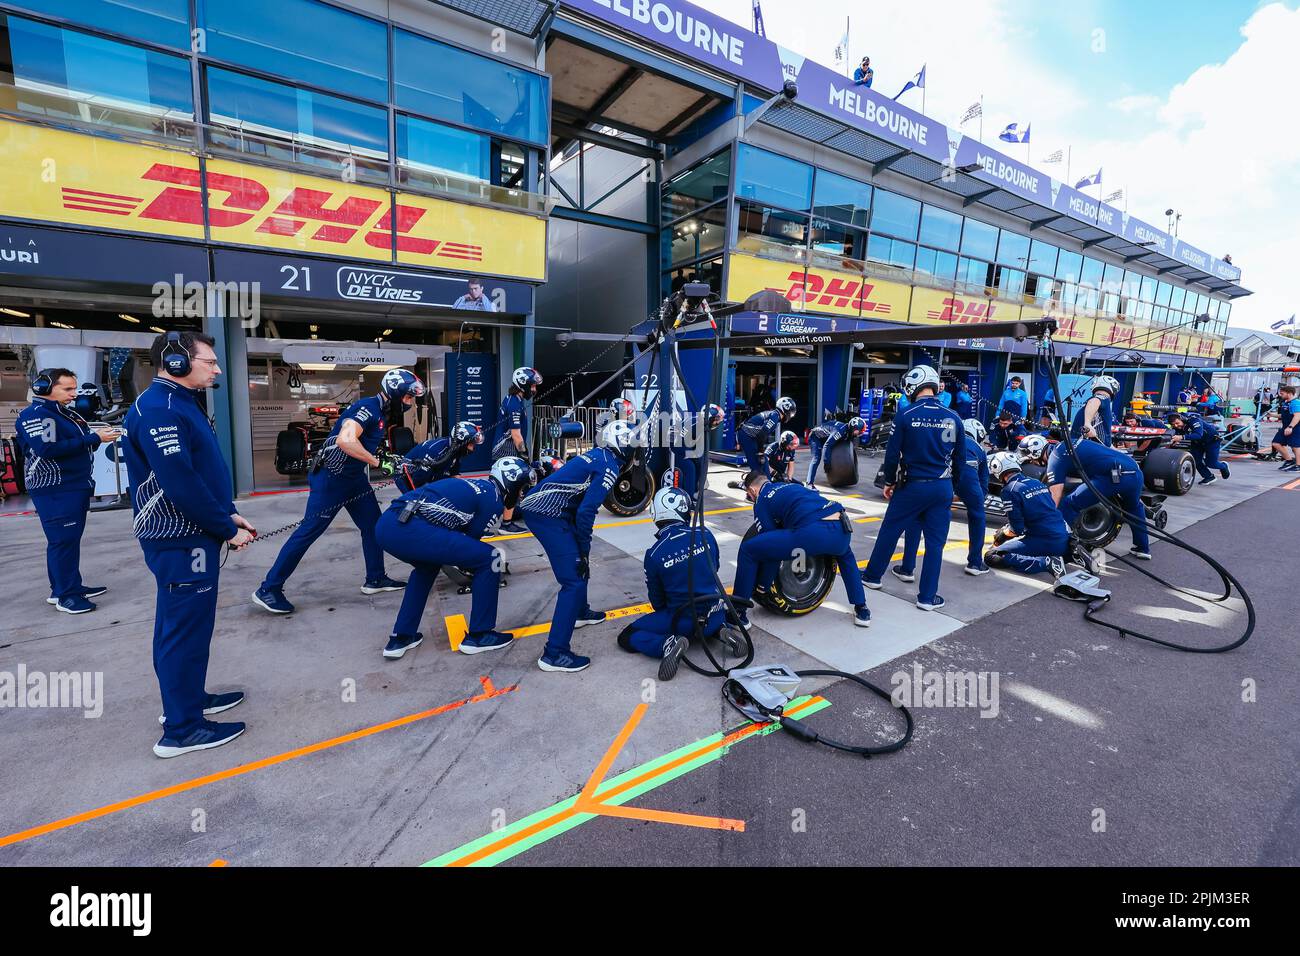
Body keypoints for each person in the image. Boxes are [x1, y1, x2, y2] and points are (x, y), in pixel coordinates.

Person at [122, 331, 255, 757]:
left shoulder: (178, 402)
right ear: (177, 362)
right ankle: (181, 730)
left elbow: (200, 471)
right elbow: (180, 482)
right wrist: (225, 527)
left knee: (181, 628)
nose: (217, 369)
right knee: (183, 632)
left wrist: (228, 512)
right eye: (209, 362)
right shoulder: (161, 409)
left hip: (192, 533)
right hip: (180, 539)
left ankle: (187, 701)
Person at [252, 370, 419, 614]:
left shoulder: (382, 412)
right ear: (394, 393)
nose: (410, 402)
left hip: (353, 479)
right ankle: (269, 588)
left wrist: (382, 456)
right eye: (408, 397)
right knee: (308, 532)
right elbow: (345, 441)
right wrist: (376, 463)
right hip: (331, 479)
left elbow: (363, 443)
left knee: (374, 526)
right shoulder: (367, 408)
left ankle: (375, 578)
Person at [375, 457, 533, 660]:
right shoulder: (492, 499)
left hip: (386, 525)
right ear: (511, 483)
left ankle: (401, 637)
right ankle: (480, 635)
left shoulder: (477, 484)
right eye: (521, 487)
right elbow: (470, 543)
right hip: (412, 528)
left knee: (426, 568)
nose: (521, 493)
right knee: (489, 558)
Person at [519, 420, 633, 673]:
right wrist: (583, 549)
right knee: (573, 579)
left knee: (580, 564)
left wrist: (584, 549)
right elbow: (587, 511)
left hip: (552, 510)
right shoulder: (610, 465)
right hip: (546, 514)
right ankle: (554, 654)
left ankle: (580, 611)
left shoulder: (598, 454)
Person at [860, 365, 965, 611]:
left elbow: (892, 454)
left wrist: (888, 481)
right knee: (935, 544)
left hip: (912, 485)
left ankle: (872, 577)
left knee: (890, 530)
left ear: (912, 386)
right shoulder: (954, 417)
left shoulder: (906, 414)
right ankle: (927, 597)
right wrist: (954, 488)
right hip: (942, 487)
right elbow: (961, 460)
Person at [14, 368, 119, 613]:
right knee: (62, 541)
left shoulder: (63, 414)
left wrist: (92, 438)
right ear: (44, 388)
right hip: (55, 488)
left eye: (74, 387)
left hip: (71, 485)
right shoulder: (39, 414)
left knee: (67, 541)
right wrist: (95, 439)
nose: (74, 393)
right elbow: (48, 449)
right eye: (67, 389)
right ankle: (67, 597)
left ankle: (65, 587)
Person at [620, 487, 736, 681]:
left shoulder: (655, 554)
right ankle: (719, 630)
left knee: (626, 636)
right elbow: (714, 568)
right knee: (709, 615)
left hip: (682, 620)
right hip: (716, 613)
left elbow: (657, 601)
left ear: (656, 513)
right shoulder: (706, 534)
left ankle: (667, 644)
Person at [732, 471, 871, 628]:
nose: (750, 498)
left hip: (811, 533)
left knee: (748, 550)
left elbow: (770, 549)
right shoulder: (790, 485)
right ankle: (862, 609)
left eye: (749, 496)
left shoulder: (762, 499)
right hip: (841, 527)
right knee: (846, 557)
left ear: (753, 490)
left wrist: (763, 584)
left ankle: (738, 613)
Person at [894, 418, 991, 580]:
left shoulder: (946, 439)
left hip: (938, 478)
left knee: (917, 517)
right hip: (967, 479)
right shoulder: (979, 449)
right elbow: (983, 487)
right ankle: (975, 562)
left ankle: (907, 568)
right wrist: (965, 497)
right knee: (977, 515)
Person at [1051, 436, 1151, 560]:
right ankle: (1143, 549)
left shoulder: (1054, 456)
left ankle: (1064, 549)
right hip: (1134, 471)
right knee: (1134, 507)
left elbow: (1056, 494)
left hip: (1113, 476)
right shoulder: (1071, 442)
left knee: (1068, 504)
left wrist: (1047, 520)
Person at [982, 452, 1071, 577]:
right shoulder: (1037, 482)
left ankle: (1046, 563)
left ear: (998, 469)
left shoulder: (1009, 490)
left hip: (1045, 540)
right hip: (1063, 537)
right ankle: (1072, 553)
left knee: (991, 556)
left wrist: (1002, 534)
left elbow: (1016, 529)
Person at [493, 366, 542, 532]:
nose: (534, 390)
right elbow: (516, 435)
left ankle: (507, 516)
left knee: (507, 489)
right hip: (507, 449)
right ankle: (506, 525)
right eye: (532, 386)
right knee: (512, 486)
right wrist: (525, 456)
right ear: (523, 385)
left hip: (505, 449)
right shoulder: (514, 403)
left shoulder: (514, 399)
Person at [393, 421, 482, 493]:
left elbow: (455, 474)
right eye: (471, 444)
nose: (473, 448)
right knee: (417, 503)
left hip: (428, 474)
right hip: (407, 474)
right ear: (462, 442)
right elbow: (419, 480)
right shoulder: (435, 450)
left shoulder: (456, 449)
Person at [665, 403, 725, 500]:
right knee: (690, 468)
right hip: (676, 445)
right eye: (716, 419)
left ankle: (693, 491)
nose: (717, 422)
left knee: (700, 464)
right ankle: (688, 497)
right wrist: (686, 454)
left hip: (685, 444)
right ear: (709, 417)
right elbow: (677, 439)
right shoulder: (696, 423)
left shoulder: (701, 423)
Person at [737, 396, 795, 476]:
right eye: (791, 411)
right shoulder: (774, 417)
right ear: (785, 408)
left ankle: (758, 483)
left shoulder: (774, 415)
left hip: (749, 436)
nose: (791, 415)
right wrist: (760, 452)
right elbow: (762, 435)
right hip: (747, 436)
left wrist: (761, 452)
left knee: (763, 464)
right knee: (757, 466)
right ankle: (751, 485)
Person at [1167, 411, 1230, 485]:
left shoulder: (1194, 420)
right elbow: (1178, 434)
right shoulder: (1178, 427)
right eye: (1173, 424)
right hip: (1197, 442)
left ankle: (1223, 466)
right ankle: (1209, 477)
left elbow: (1198, 435)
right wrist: (1175, 441)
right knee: (1195, 460)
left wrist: (1181, 437)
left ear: (1182, 419)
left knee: (1211, 463)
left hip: (1211, 441)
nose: (1176, 426)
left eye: (1177, 423)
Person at [805, 415, 866, 487]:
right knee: (816, 458)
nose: (860, 434)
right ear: (854, 428)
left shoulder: (848, 431)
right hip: (815, 437)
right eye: (859, 431)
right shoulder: (840, 431)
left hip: (825, 437)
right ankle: (809, 483)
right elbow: (827, 446)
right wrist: (826, 462)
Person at [1070, 374, 1118, 448]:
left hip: (1079, 445)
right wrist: (1087, 424)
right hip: (1090, 447)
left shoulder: (1089, 406)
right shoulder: (1103, 397)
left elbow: (1105, 438)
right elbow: (1094, 401)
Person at [1271, 384, 1300, 471]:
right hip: (1285, 427)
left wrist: (1290, 427)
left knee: (1295, 446)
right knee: (1276, 443)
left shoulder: (1296, 403)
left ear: (1289, 393)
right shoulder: (1286, 403)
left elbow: (1297, 416)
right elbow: (1283, 415)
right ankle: (1289, 460)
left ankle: (1298, 465)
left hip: (1295, 427)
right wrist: (1272, 415)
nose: (1281, 395)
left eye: (1282, 393)